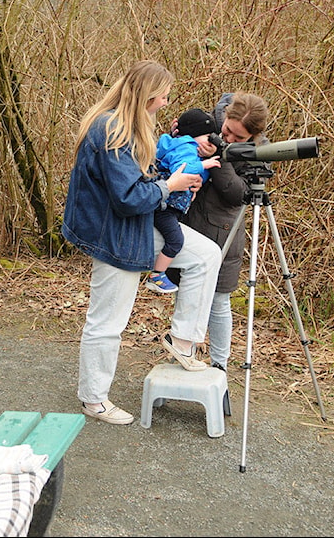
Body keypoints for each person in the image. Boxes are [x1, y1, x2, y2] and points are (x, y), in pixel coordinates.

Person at [62, 60, 222, 425]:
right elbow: (128, 197)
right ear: (148, 94)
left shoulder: (133, 126)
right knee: (107, 321)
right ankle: (94, 399)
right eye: (164, 96)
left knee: (205, 255)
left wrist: (178, 178)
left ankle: (182, 342)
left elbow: (139, 182)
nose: (167, 103)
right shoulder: (112, 129)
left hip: (135, 226)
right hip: (114, 234)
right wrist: (170, 187)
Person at [181, 91, 270, 371]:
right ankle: (184, 356)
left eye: (238, 138)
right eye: (228, 131)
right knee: (188, 297)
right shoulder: (208, 125)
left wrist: (221, 157)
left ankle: (219, 365)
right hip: (189, 222)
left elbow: (239, 194)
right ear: (226, 115)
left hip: (224, 232)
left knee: (219, 302)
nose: (230, 138)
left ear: (253, 137)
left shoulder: (261, 152)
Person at [146, 107, 221, 294]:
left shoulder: (182, 146)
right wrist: (204, 163)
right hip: (165, 207)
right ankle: (157, 275)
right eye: (207, 137)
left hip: (168, 205)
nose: (210, 141)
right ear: (194, 135)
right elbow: (183, 168)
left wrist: (200, 175)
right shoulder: (185, 148)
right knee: (176, 241)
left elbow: (196, 175)